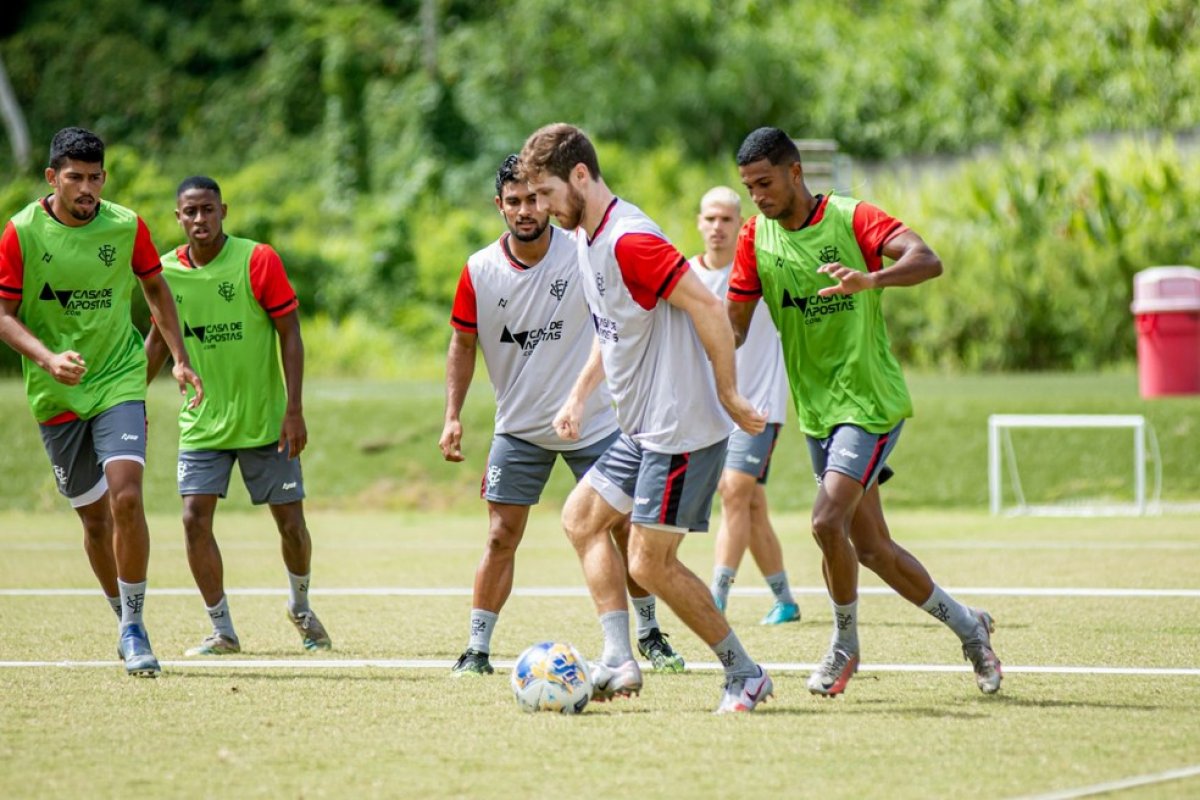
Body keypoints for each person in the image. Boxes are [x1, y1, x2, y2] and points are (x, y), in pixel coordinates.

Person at [728, 126, 1003, 697]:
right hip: (818, 413)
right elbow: (731, 327)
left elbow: (928, 260)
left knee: (825, 521)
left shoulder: (851, 218)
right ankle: (968, 625)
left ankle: (844, 645)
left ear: (795, 172)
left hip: (869, 402)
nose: (757, 196)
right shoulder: (755, 239)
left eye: (765, 182)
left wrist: (871, 279)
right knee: (872, 547)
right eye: (748, 187)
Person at [518, 123, 773, 713]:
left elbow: (710, 306)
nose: (541, 209)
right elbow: (614, 330)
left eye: (547, 194)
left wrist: (729, 393)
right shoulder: (586, 239)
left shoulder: (631, 241)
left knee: (649, 563)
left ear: (580, 176)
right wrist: (580, 394)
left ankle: (745, 673)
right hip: (642, 428)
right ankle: (618, 659)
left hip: (679, 428)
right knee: (582, 518)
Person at [440, 155, 684, 677]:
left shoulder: (583, 252)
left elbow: (623, 318)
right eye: (514, 201)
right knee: (500, 536)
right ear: (498, 205)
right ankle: (477, 649)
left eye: (533, 199)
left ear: (547, 201)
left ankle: (649, 635)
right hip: (520, 429)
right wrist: (453, 415)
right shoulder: (479, 269)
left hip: (593, 423)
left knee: (624, 530)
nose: (525, 210)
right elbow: (462, 342)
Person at [0, 127, 203, 677]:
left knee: (127, 498)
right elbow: (4, 314)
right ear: (52, 178)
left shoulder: (125, 225)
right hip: (56, 391)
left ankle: (136, 626)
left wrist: (180, 358)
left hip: (119, 378)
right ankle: (122, 618)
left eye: (95, 178)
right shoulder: (21, 233)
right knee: (93, 524)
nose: (87, 188)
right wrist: (47, 359)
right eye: (75, 178)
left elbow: (156, 289)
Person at [144, 175, 331, 655]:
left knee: (291, 524)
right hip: (202, 422)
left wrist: (294, 410)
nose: (200, 219)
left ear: (223, 211)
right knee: (192, 519)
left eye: (208, 209)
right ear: (178, 217)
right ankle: (222, 630)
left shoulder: (257, 259)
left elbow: (290, 333)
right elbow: (157, 343)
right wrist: (131, 404)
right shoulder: (165, 273)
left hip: (265, 422)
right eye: (190, 212)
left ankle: (302, 607)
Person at [690, 187, 800, 625]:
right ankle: (785, 601)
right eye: (710, 219)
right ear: (699, 222)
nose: (717, 228)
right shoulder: (687, 276)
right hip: (713, 410)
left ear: (741, 225)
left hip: (758, 408)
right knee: (750, 504)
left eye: (726, 220)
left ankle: (716, 598)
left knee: (732, 490)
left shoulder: (762, 274)